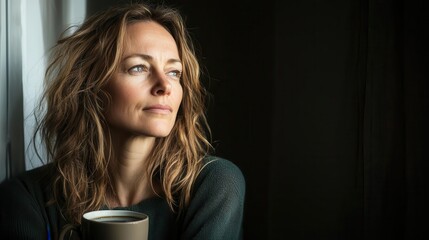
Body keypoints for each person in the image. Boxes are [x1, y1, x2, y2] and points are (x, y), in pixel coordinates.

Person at [0, 2, 245, 240]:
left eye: (174, 72)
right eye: (138, 68)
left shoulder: (214, 184)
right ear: (91, 86)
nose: (164, 86)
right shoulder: (26, 197)